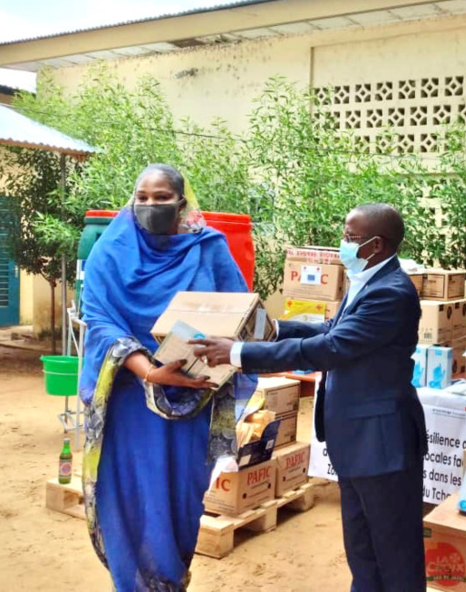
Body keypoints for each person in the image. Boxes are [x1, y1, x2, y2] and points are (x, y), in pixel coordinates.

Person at [193, 203, 427, 592]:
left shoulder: (392, 293)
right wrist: (273, 327)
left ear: (377, 245)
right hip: (357, 442)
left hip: (383, 445)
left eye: (351, 238)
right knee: (363, 547)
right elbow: (327, 328)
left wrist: (237, 353)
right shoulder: (367, 279)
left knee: (395, 552)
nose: (343, 244)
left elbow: (330, 347)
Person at [80, 164, 255, 591]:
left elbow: (238, 315)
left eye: (162, 197)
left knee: (178, 501)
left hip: (189, 401)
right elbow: (98, 318)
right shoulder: (112, 249)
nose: (151, 205)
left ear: (182, 202)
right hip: (128, 401)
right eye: (142, 196)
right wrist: (149, 371)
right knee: (129, 499)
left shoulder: (208, 248)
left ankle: (169, 581)